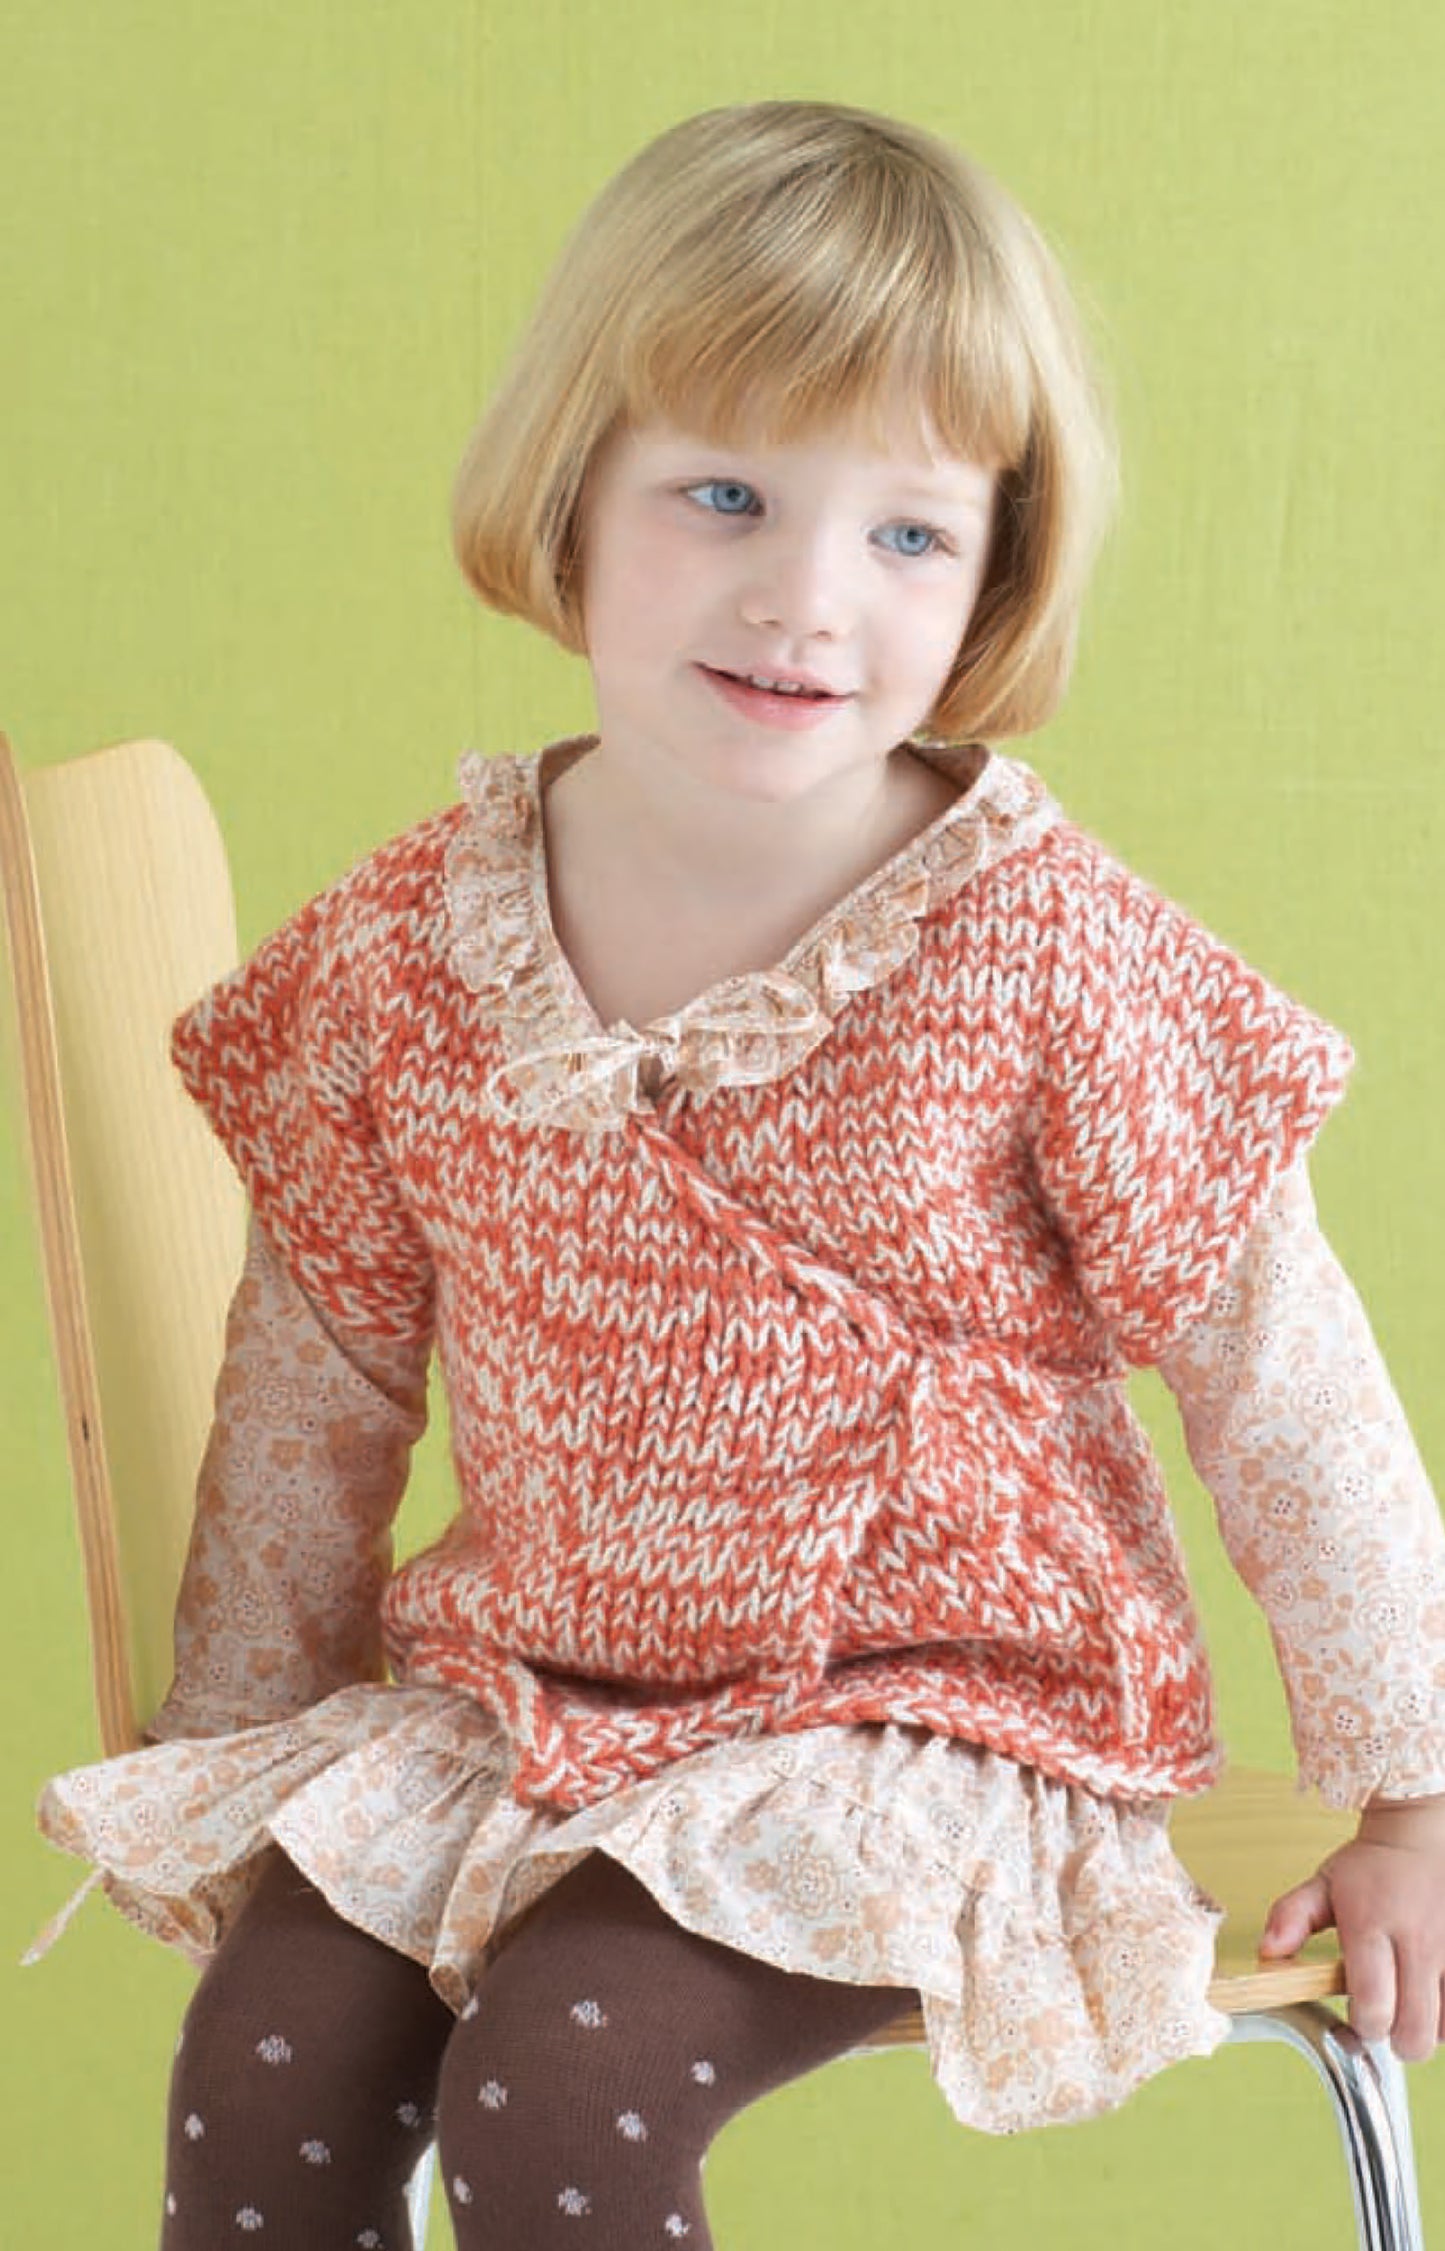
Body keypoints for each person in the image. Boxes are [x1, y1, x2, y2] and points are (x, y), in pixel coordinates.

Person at [28, 98, 1445, 2251]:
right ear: (575, 497)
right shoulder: (419, 950)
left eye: (908, 537)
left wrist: (1417, 1781)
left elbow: (1284, 1370)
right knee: (268, 2043)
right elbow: (313, 1373)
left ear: (994, 570)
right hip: (542, 1696)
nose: (807, 600)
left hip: (932, 1711)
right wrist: (240, 1751)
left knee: (561, 2081)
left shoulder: (1034, 946)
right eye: (724, 496)